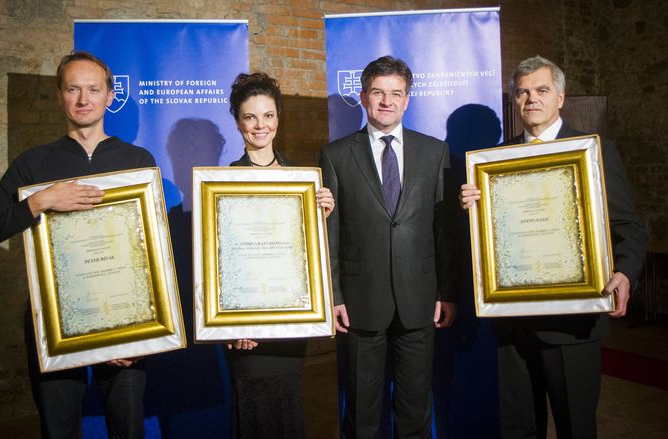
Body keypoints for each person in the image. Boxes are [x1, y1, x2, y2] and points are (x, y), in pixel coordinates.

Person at [0, 51, 154, 439]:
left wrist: (144, 331)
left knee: (128, 428)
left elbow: (151, 251)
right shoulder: (33, 163)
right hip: (54, 320)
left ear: (109, 96)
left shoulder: (137, 160)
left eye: (93, 90)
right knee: (58, 429)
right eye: (73, 89)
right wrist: (39, 202)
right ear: (59, 95)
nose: (83, 99)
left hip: (125, 320)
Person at [460, 55, 647, 438]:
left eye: (541, 90)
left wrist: (625, 272)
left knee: (575, 427)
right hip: (512, 322)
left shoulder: (594, 152)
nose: (531, 98)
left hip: (574, 322)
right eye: (522, 92)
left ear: (560, 97)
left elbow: (629, 226)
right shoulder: (493, 164)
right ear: (514, 101)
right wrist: (474, 211)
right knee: (518, 429)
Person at [320, 55, 457, 438]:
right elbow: (331, 233)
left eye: (396, 93)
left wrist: (447, 291)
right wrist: (334, 295)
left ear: (407, 99)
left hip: (420, 301)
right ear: (364, 97)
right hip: (360, 303)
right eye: (378, 92)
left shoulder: (435, 152)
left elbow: (443, 231)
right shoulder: (335, 155)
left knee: (415, 410)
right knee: (361, 412)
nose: (386, 101)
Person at [225, 72, 335, 439]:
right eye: (250, 117)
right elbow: (222, 261)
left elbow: (305, 256)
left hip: (289, 321)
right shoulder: (222, 181)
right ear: (238, 122)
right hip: (246, 328)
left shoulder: (301, 181)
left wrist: (321, 216)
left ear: (278, 118)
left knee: (288, 409)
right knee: (254, 415)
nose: (260, 125)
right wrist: (233, 323)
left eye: (268, 115)